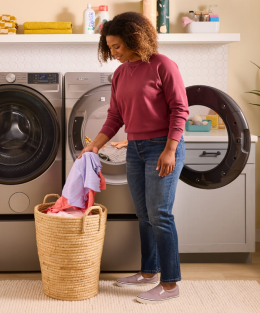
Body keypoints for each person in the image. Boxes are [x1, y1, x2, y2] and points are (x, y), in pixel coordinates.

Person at [78, 12, 189, 304]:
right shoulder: (120, 74)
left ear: (133, 38)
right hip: (136, 149)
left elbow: (180, 109)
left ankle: (169, 284)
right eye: (109, 47)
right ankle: (149, 272)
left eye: (117, 46)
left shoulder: (163, 65)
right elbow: (115, 116)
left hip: (163, 148)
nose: (113, 52)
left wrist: (170, 149)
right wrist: (95, 146)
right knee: (144, 215)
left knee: (160, 215)